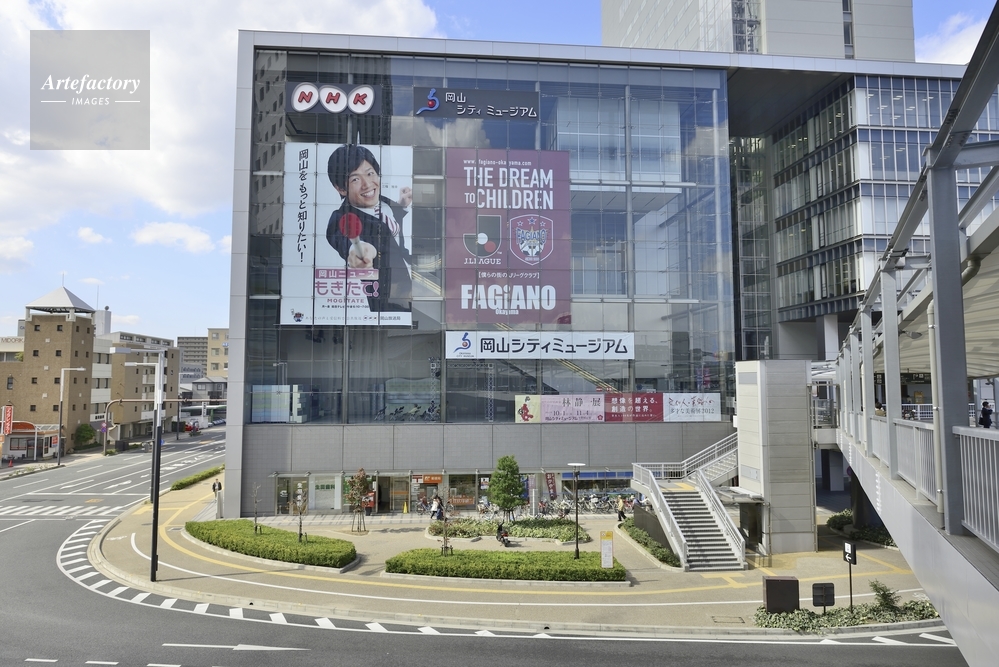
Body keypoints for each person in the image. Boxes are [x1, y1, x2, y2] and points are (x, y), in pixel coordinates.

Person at [325, 144, 413, 314]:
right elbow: (342, 239)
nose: (367, 184)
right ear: (341, 188)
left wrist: (402, 206)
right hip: (390, 303)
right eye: (355, 179)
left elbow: (390, 227)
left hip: (415, 285)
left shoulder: (384, 201)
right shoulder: (340, 218)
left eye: (370, 173)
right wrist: (358, 251)